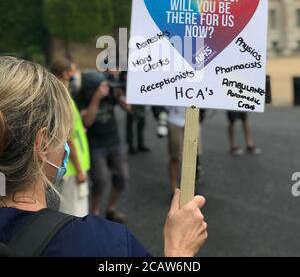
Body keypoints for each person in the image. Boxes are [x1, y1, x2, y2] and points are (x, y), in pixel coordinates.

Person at [0, 56, 207, 257]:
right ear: (43, 143)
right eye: (62, 134)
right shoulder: (105, 244)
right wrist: (179, 250)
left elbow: (129, 110)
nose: (65, 143)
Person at [78, 72, 130, 223]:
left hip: (114, 142)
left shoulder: (110, 95)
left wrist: (119, 96)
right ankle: (94, 213)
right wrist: (96, 98)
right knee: (100, 180)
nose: (105, 88)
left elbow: (128, 108)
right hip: (95, 145)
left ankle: (111, 209)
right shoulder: (82, 98)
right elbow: (87, 121)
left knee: (122, 177)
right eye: (101, 86)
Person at [51, 58, 90, 217]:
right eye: (72, 74)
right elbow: (68, 138)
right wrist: (80, 170)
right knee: (74, 213)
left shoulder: (56, 95)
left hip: (70, 165)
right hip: (73, 167)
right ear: (65, 74)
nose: (74, 78)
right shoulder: (63, 98)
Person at [167, 107, 204, 196]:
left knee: (193, 155)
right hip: (175, 120)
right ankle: (174, 189)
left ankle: (189, 187)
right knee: (175, 156)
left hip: (193, 120)